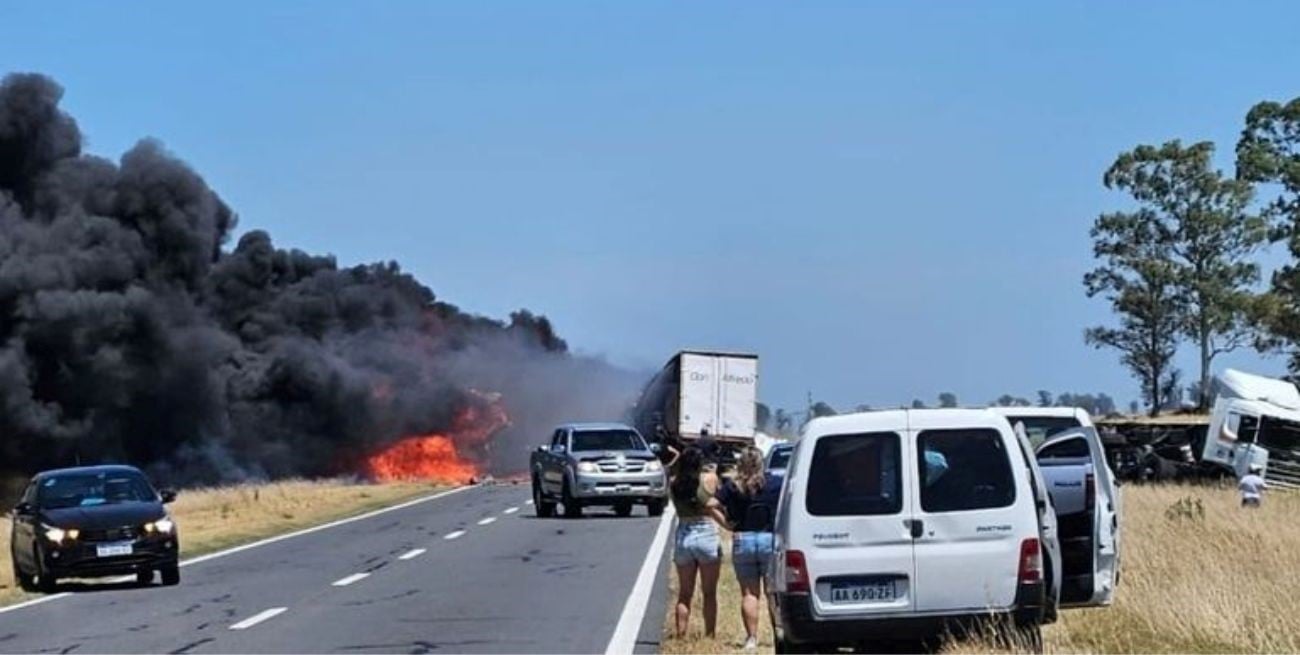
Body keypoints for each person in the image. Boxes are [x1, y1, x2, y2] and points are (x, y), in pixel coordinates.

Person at [708, 447, 780, 651]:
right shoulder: (774, 483)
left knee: (749, 593)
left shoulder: (733, 486)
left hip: (743, 539)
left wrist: (726, 524)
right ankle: (778, 634)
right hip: (769, 539)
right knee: (772, 593)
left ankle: (751, 638)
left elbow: (710, 504)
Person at [670, 446, 721, 638]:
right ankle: (709, 634)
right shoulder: (707, 480)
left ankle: (681, 633)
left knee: (684, 593)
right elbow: (714, 497)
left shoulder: (674, 484)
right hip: (705, 532)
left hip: (684, 533)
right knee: (709, 592)